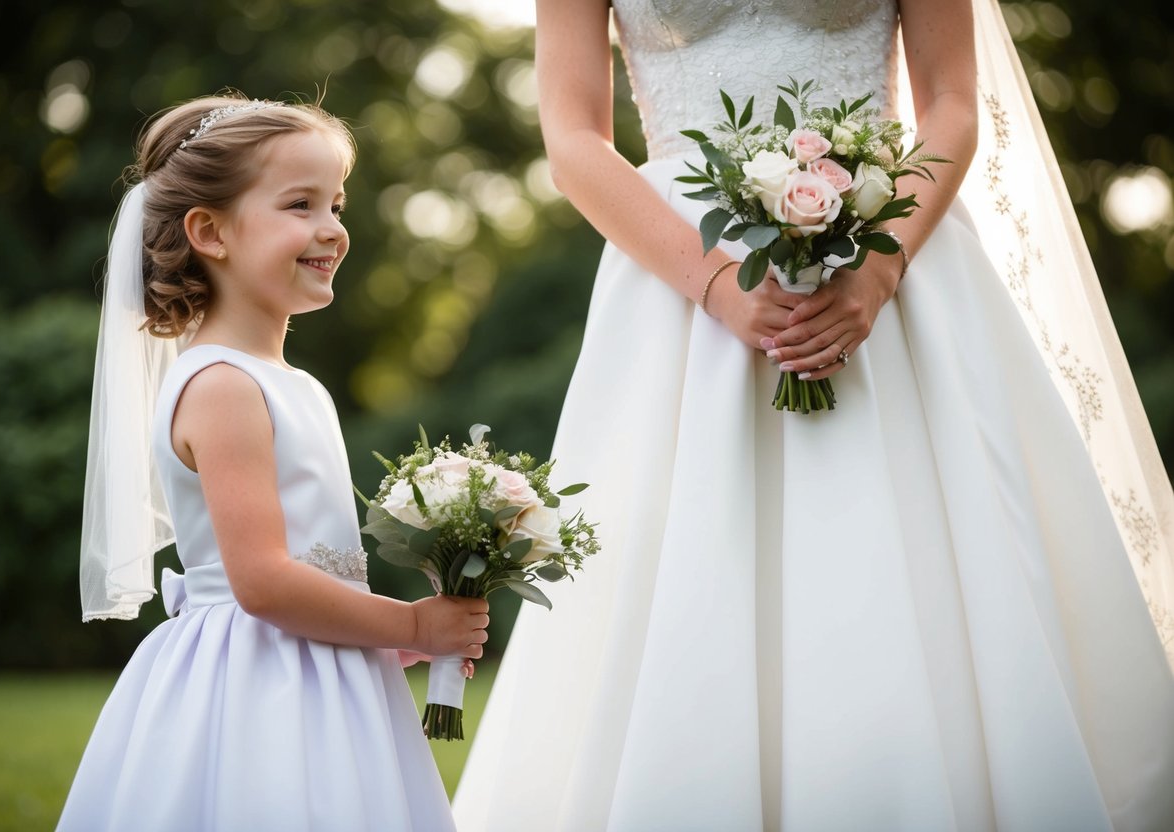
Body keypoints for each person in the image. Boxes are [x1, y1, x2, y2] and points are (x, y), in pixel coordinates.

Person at [453, 1, 1174, 830]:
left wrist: (878, 270)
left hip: (884, 247)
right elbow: (573, 139)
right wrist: (715, 285)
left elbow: (950, 104)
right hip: (683, 269)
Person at [58, 94, 489, 831]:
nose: (332, 229)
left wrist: (384, 636)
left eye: (336, 204)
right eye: (300, 204)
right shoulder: (223, 386)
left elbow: (314, 565)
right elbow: (261, 581)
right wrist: (410, 626)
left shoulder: (296, 385)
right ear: (210, 231)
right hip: (261, 683)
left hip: (323, 665)